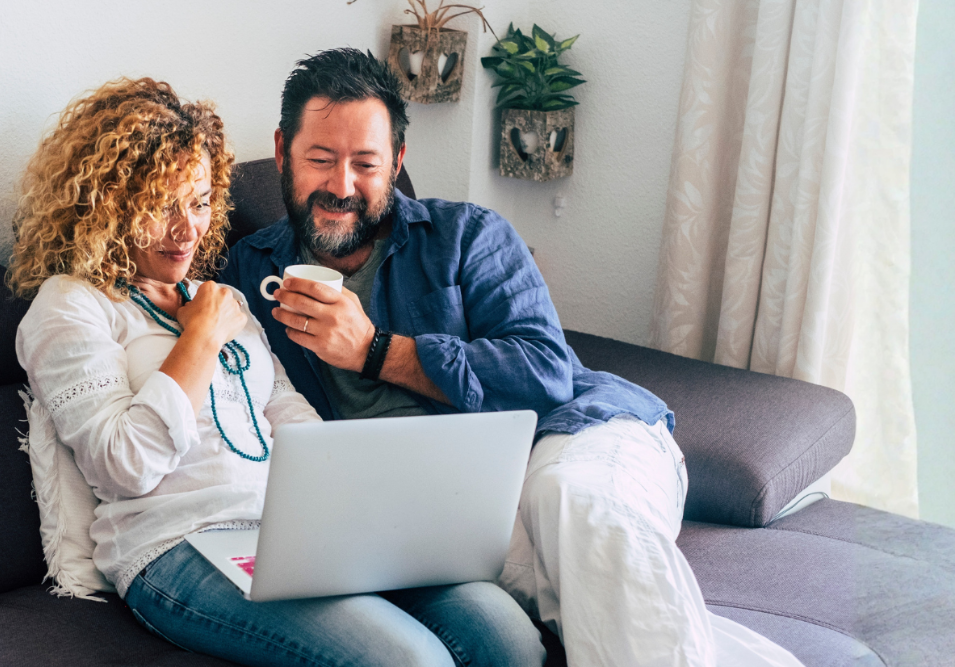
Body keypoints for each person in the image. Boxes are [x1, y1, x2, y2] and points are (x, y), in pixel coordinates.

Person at [220, 49, 807, 667]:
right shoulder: (247, 273)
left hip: (575, 436)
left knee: (571, 505)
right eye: (321, 160)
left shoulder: (467, 236)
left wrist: (374, 351)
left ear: (396, 162)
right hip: (442, 514)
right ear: (283, 152)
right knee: (584, 600)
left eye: (365, 163)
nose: (342, 186)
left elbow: (544, 375)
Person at [8, 77, 546, 667]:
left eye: (200, 200)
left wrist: (358, 508)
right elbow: (121, 467)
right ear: (108, 203)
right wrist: (199, 339)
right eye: (161, 206)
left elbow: (287, 413)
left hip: (287, 531)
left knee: (506, 635)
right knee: (408, 660)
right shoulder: (70, 305)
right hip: (175, 544)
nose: (187, 229)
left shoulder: (221, 299)